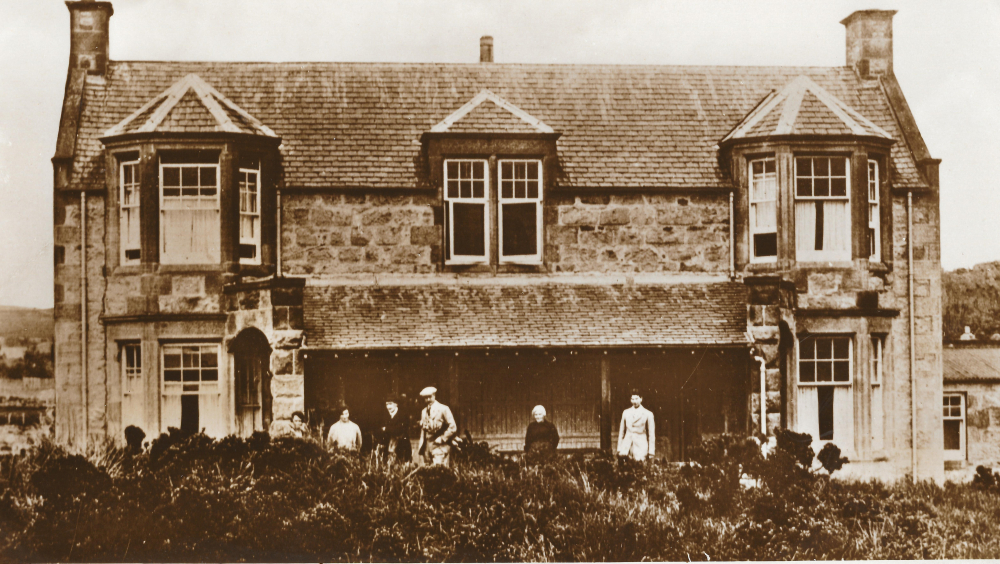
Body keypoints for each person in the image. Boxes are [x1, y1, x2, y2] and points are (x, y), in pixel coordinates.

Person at [417, 387, 456, 466]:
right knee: (428, 471)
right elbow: (423, 430)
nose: (428, 400)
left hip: (439, 445)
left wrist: (442, 438)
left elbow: (453, 427)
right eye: (425, 398)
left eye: (430, 397)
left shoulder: (443, 409)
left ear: (434, 395)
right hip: (427, 446)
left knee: (439, 470)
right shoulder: (424, 411)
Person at [617, 389, 655, 461]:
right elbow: (621, 432)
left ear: (641, 399)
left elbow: (651, 434)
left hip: (640, 446)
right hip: (626, 446)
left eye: (636, 399)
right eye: (632, 399)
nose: (634, 401)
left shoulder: (648, 414)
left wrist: (651, 452)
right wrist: (619, 448)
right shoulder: (626, 412)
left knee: (639, 468)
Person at [379, 393, 412, 465]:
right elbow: (380, 430)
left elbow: (400, 430)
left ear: (396, 404)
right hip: (388, 448)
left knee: (401, 468)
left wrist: (386, 429)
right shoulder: (385, 416)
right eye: (387, 404)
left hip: (402, 447)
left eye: (390, 404)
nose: (388, 407)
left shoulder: (403, 415)